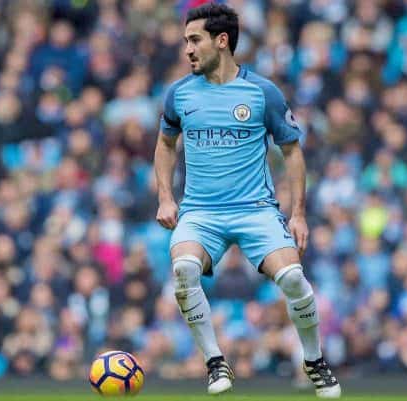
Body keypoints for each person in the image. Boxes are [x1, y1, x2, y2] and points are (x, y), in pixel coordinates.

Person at [153, 3, 341, 398]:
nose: (187, 49)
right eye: (185, 40)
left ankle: (313, 360)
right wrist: (166, 197)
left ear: (221, 42)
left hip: (255, 210)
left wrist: (299, 214)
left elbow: (292, 151)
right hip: (201, 213)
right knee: (184, 268)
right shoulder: (179, 95)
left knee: (293, 278)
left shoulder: (262, 92)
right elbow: (165, 145)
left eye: (194, 40)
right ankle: (214, 361)